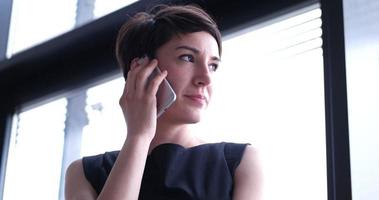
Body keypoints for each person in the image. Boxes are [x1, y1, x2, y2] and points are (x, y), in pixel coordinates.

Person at [65, 4, 262, 200]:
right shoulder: (85, 173)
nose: (206, 78)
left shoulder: (239, 162)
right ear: (143, 69)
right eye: (187, 57)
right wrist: (138, 136)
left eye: (213, 66)